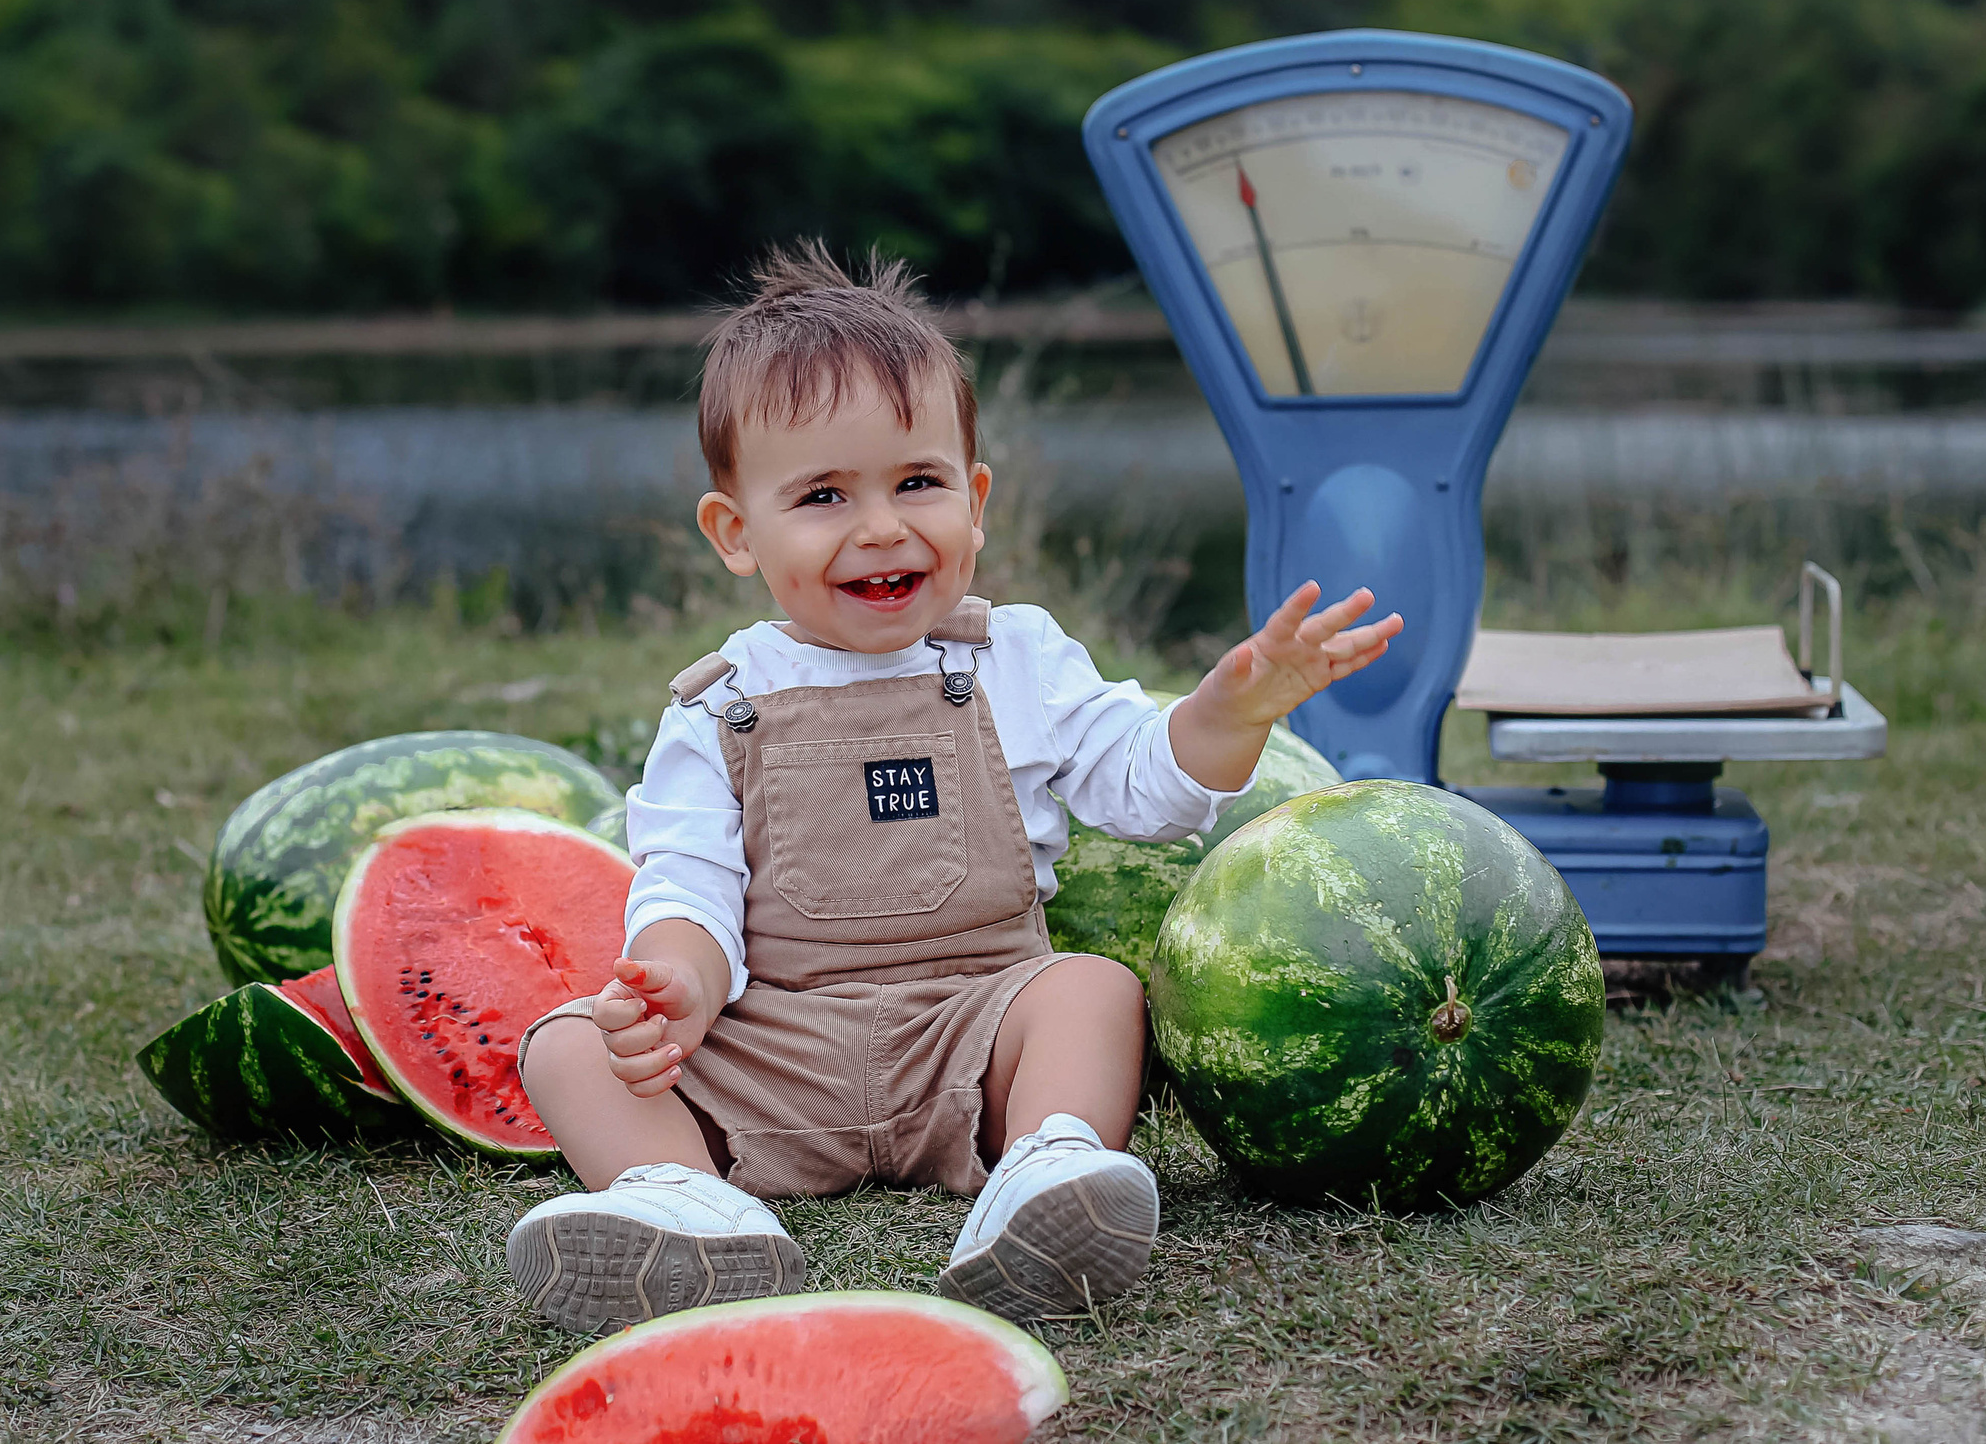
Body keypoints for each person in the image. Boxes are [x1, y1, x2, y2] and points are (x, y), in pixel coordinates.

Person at [505, 242, 1400, 1333]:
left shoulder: (1016, 660)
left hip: (971, 1036)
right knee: (567, 1045)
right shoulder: (716, 706)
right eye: (824, 495)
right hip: (776, 1050)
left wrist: (1228, 714)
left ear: (973, 502)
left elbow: (1145, 788)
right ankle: (687, 1206)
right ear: (737, 533)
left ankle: (1044, 1174)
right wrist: (679, 987)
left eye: (916, 482)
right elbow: (685, 884)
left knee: (1091, 991)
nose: (881, 525)